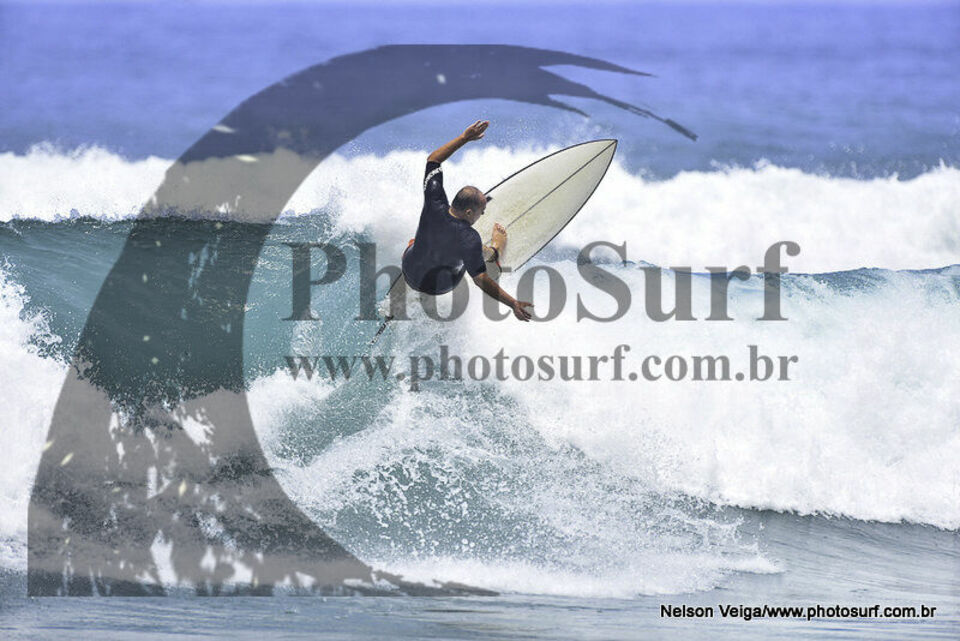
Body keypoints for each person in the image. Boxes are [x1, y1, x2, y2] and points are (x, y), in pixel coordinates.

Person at [402, 120, 534, 321]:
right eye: (482, 212)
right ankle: (494, 251)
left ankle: (417, 246)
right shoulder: (469, 237)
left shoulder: (434, 200)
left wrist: (465, 138)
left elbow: (433, 159)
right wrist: (513, 303)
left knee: (416, 242)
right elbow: (480, 280)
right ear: (470, 212)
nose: (482, 216)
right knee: (476, 253)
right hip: (440, 286)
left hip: (408, 268)